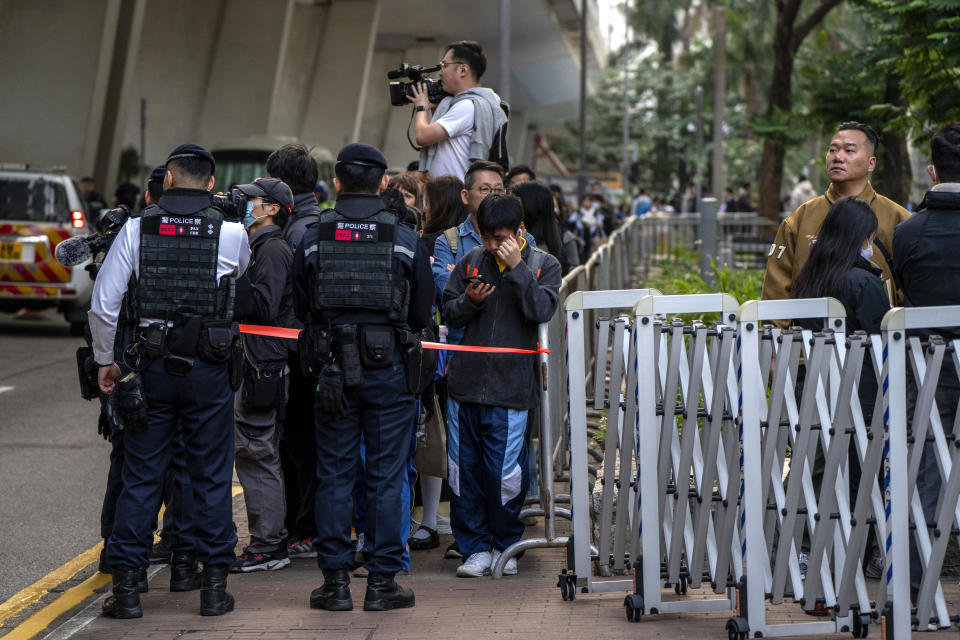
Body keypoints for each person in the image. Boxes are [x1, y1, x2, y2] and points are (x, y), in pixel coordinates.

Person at [89, 143, 250, 618]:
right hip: (208, 370)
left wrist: (107, 361)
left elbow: (104, 304)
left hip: (150, 368)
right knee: (211, 476)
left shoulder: (138, 229)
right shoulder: (233, 232)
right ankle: (214, 588)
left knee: (142, 475)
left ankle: (126, 592)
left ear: (170, 181)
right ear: (212, 185)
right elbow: (241, 282)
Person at [291, 143, 433, 612]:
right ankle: (381, 584)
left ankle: (334, 585)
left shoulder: (314, 235)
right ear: (385, 184)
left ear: (335, 184)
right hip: (389, 368)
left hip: (330, 367)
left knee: (334, 472)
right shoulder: (406, 237)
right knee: (386, 475)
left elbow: (301, 305)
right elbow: (419, 312)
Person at [441, 193, 561, 577]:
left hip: (511, 389)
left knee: (504, 473)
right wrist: (470, 302)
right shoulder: (471, 261)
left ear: (520, 230)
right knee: (464, 471)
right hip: (465, 384)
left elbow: (542, 310)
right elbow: (448, 312)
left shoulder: (544, 265)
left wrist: (517, 269)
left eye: (500, 238)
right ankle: (473, 547)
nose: (492, 245)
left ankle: (507, 545)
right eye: (486, 236)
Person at [892, 122, 960, 598]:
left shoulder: (907, 234)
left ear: (932, 171)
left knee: (926, 471)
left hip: (927, 364)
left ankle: (917, 586)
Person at [761, 122, 910, 306]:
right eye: (832, 150)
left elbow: (912, 289)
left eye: (849, 151)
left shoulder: (898, 218)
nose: (838, 157)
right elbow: (776, 291)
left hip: (879, 330)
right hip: (812, 332)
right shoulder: (800, 219)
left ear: (871, 163)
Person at [229, 178, 296, 574]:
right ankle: (268, 541)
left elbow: (264, 307)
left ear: (272, 209)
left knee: (257, 453)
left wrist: (230, 276)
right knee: (251, 452)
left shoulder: (271, 249)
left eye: (252, 199)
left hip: (262, 366)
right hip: (255, 362)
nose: (244, 204)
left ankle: (269, 544)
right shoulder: (255, 245)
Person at [264, 143, 321, 559]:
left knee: (296, 445)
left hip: (294, 352)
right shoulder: (314, 220)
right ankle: (303, 525)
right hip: (310, 350)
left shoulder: (295, 230)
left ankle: (301, 527)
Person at [412, 40, 508, 181]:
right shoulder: (477, 103)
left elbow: (423, 137)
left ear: (463, 70)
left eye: (444, 65)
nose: (440, 72)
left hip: (450, 196)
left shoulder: (467, 106)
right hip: (449, 193)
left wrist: (421, 106)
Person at [512, 181, 576, 275]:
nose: (509, 207)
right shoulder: (550, 241)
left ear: (530, 209)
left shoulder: (537, 253)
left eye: (514, 203)